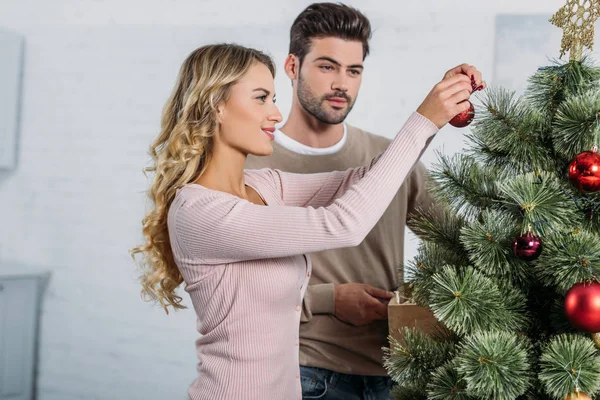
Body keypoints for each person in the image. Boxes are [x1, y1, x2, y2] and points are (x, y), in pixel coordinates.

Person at [131, 42, 482, 400]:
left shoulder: (265, 186)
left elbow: (361, 179)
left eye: (273, 99)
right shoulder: (200, 213)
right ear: (216, 105)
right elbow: (343, 224)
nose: (276, 115)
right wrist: (424, 118)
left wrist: (433, 117)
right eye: (261, 98)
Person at [245, 3, 485, 399]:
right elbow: (235, 289)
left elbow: (460, 240)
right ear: (292, 66)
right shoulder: (253, 164)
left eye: (353, 70)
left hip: (400, 372)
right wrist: (328, 300)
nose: (342, 83)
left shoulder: (389, 157)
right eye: (327, 66)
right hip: (308, 372)